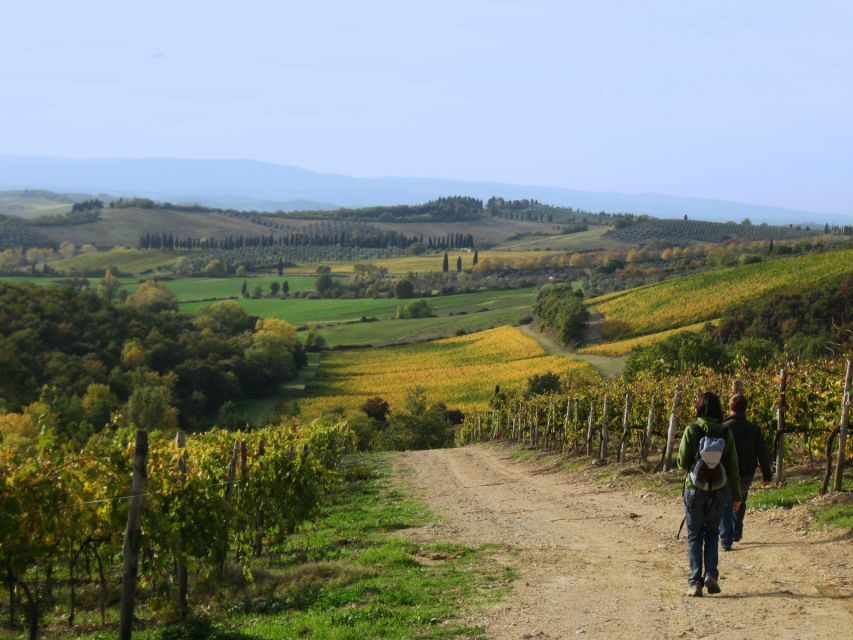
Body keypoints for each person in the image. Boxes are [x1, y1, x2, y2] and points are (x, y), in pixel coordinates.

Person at [677, 391, 740, 597]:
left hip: (695, 489)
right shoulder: (725, 432)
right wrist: (737, 496)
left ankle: (695, 582)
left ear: (699, 407)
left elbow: (682, 463)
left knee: (694, 535)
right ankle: (711, 575)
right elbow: (732, 467)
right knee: (712, 533)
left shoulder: (692, 430)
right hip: (719, 489)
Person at [719, 394, 772, 550]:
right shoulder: (754, 429)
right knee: (740, 500)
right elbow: (762, 453)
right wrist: (766, 474)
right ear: (745, 408)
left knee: (726, 503)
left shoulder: (724, 428)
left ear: (730, 407)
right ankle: (736, 531)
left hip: (727, 472)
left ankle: (726, 539)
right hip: (747, 472)